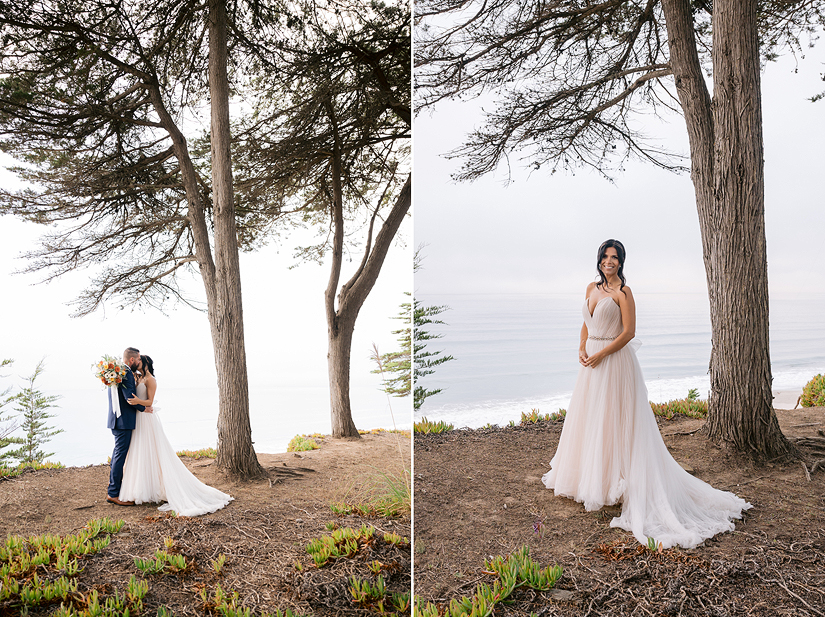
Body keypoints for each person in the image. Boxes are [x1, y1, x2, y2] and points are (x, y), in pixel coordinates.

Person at [542, 239, 751, 549]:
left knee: (615, 419)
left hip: (614, 362)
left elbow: (628, 332)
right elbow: (586, 323)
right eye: (605, 256)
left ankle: (621, 481)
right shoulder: (591, 288)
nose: (608, 261)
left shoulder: (624, 293)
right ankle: (594, 479)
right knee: (591, 418)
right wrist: (582, 347)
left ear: (621, 262)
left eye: (614, 257)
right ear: (599, 260)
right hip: (591, 362)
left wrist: (601, 354)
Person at [120, 354, 233, 517]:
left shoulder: (151, 380)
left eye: (139, 361)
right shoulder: (136, 377)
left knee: (152, 450)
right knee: (140, 451)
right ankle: (144, 488)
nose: (136, 363)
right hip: (139, 418)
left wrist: (138, 400)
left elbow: (150, 402)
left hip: (147, 419)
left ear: (145, 363)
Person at [106, 346, 146, 506]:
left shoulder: (116, 371)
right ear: (132, 360)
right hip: (123, 421)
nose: (139, 362)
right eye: (138, 360)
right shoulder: (125, 373)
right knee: (119, 456)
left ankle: (114, 489)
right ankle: (113, 493)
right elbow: (129, 397)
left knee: (117, 454)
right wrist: (145, 408)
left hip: (115, 419)